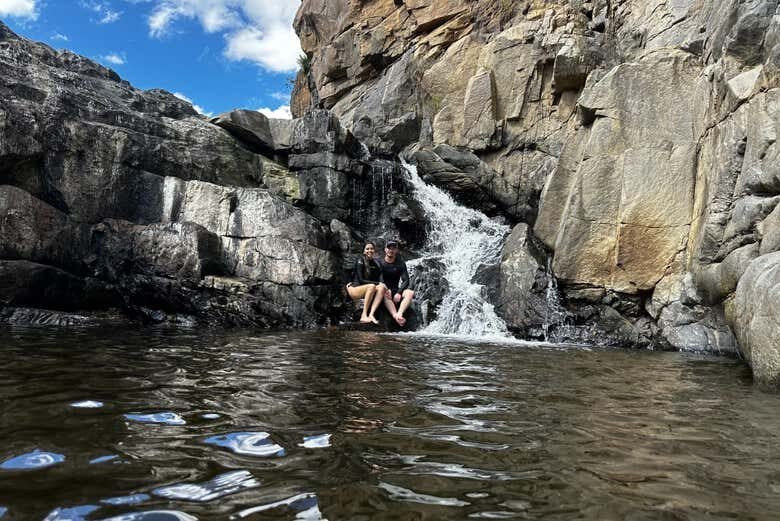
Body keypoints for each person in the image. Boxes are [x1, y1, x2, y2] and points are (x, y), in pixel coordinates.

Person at [346, 241, 386, 324]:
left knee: (381, 287)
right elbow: (361, 280)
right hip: (354, 288)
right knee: (372, 286)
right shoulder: (360, 261)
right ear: (364, 251)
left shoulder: (376, 263)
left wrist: (384, 287)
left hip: (367, 289)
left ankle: (371, 314)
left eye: (371, 249)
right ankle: (363, 315)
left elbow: (380, 281)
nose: (369, 250)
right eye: (367, 249)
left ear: (374, 250)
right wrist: (378, 283)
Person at [379, 239, 414, 326]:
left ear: (396, 250)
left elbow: (406, 280)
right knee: (384, 292)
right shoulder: (380, 263)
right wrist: (386, 288)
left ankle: (400, 314)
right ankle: (395, 316)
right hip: (385, 290)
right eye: (389, 248)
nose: (391, 250)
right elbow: (379, 278)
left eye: (393, 248)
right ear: (385, 249)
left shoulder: (400, 263)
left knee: (410, 292)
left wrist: (399, 293)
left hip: (396, 289)